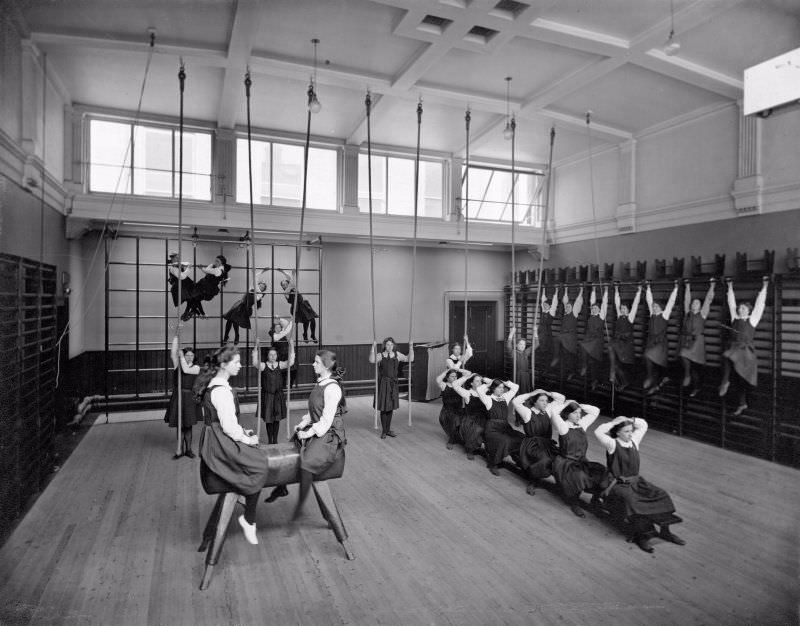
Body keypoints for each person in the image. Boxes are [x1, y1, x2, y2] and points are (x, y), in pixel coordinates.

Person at [197, 346, 265, 546]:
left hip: (214, 437)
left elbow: (226, 424)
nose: (240, 365)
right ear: (224, 365)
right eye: (236, 362)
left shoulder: (215, 386)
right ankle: (249, 518)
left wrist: (243, 432)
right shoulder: (222, 392)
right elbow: (228, 427)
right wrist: (247, 439)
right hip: (219, 442)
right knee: (259, 465)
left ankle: (244, 500)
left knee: (251, 459)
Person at [595, 416, 684, 553]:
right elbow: (598, 431)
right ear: (618, 432)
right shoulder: (612, 444)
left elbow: (643, 425)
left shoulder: (634, 442)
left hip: (637, 482)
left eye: (631, 431)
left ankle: (666, 531)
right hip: (619, 484)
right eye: (626, 431)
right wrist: (614, 422)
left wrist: (631, 420)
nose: (630, 434)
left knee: (662, 494)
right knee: (633, 502)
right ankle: (641, 536)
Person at [285, 350, 347, 529]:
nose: (313, 364)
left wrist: (308, 432)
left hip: (329, 435)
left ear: (326, 366)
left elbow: (326, 420)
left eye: (317, 362)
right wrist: (303, 423)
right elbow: (314, 411)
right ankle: (281, 487)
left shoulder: (333, 388)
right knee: (293, 444)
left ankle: (299, 509)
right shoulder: (320, 383)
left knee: (308, 462)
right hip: (319, 426)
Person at [719, 277, 769, 416]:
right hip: (735, 349)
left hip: (746, 352)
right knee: (732, 368)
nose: (739, 309)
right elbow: (731, 303)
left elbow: (760, 305)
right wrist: (730, 287)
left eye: (743, 308)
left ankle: (730, 389)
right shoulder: (735, 318)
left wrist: (764, 287)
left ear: (748, 310)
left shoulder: (753, 319)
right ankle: (736, 396)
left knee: (740, 376)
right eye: (739, 307)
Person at [549, 398, 607, 517]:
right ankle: (574, 503)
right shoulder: (563, 427)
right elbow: (554, 412)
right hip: (566, 463)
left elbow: (595, 411)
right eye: (574, 413)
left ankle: (595, 500)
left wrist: (579, 405)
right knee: (579, 476)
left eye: (579, 413)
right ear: (567, 414)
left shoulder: (582, 425)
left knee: (601, 471)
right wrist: (567, 403)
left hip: (581, 460)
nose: (578, 416)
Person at [512, 389, 563, 495]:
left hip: (547, 444)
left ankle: (562, 484)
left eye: (546, 401)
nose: (545, 403)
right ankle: (533, 481)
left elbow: (561, 399)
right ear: (535, 402)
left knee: (560, 458)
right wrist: (531, 394)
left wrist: (548, 393)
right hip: (532, 445)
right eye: (542, 400)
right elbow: (515, 401)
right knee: (544, 459)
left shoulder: (547, 410)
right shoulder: (527, 412)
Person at [252, 338, 295, 445]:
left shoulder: (280, 365)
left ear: (277, 356)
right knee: (268, 419)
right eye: (271, 355)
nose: (273, 356)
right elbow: (254, 362)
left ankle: (274, 440)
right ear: (267, 356)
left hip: (278, 396)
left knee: (277, 419)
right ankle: (270, 440)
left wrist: (292, 346)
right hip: (267, 396)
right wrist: (256, 346)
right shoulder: (263, 366)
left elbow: (291, 361)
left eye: (274, 355)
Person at [164, 332, 200, 459]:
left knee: (188, 425)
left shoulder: (196, 368)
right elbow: (173, 353)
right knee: (180, 425)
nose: (189, 357)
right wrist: (176, 337)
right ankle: (179, 450)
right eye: (187, 355)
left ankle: (189, 450)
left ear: (194, 357)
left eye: (191, 355)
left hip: (189, 398)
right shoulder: (177, 364)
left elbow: (186, 370)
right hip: (178, 397)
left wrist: (182, 357)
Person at [369, 337, 413, 439]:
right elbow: (371, 360)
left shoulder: (397, 355)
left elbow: (410, 359)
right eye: (388, 344)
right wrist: (373, 347)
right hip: (383, 384)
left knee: (390, 407)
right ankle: (384, 431)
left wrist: (411, 347)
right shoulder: (380, 355)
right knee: (384, 408)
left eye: (391, 345)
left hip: (393, 384)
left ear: (394, 345)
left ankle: (388, 430)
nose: (390, 346)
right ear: (385, 345)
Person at [679, 278, 715, 397]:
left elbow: (708, 300)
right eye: (693, 303)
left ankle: (695, 387)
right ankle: (688, 377)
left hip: (698, 343)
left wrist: (712, 286)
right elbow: (686, 300)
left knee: (695, 367)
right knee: (684, 356)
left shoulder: (703, 313)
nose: (694, 304)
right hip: (688, 341)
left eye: (697, 303)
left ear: (700, 306)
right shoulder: (687, 313)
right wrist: (688, 287)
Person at [643, 280, 679, 394]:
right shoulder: (652, 314)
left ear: (661, 307)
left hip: (661, 344)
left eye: (656, 306)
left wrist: (676, 288)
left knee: (648, 356)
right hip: (651, 342)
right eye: (653, 306)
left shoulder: (664, 314)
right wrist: (648, 288)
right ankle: (656, 385)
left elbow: (671, 302)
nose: (654, 308)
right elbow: (649, 300)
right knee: (653, 363)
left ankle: (650, 378)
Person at [481, 378, 522, 476]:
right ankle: (493, 463)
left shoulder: (505, 397)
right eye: (499, 388)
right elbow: (479, 390)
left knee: (520, 437)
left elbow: (516, 387)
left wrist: (504, 382)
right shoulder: (488, 399)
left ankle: (518, 459)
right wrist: (490, 383)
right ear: (493, 388)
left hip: (504, 427)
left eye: (503, 388)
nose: (502, 390)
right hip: (492, 429)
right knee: (505, 440)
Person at [608, 283, 641, 391]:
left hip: (626, 345)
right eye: (621, 309)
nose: (622, 310)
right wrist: (616, 290)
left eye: (624, 309)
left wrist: (639, 291)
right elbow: (617, 301)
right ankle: (616, 376)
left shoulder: (630, 317)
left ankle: (615, 375)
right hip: (618, 343)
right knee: (612, 352)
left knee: (619, 364)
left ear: (628, 310)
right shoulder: (619, 316)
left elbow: (636, 304)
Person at [222, 272, 267, 344]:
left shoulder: (260, 295)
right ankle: (226, 336)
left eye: (262, 287)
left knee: (234, 319)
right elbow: (255, 277)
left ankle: (236, 335)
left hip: (246, 309)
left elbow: (255, 294)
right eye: (260, 285)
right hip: (240, 305)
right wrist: (263, 271)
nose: (260, 287)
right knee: (230, 319)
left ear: (263, 290)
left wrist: (260, 284)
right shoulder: (252, 288)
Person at [183, 255, 231, 321]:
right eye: (215, 260)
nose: (215, 262)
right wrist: (204, 268)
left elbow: (207, 270)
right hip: (203, 286)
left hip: (207, 290)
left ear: (221, 263)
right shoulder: (216, 268)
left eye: (217, 261)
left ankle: (193, 313)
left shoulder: (219, 270)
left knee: (194, 298)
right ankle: (197, 313)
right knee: (193, 299)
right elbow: (206, 271)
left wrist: (210, 265)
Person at [550, 285, 583, 378]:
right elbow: (565, 300)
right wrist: (565, 290)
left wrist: (581, 290)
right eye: (566, 307)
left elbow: (578, 302)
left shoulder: (575, 313)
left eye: (569, 306)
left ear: (572, 308)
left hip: (571, 337)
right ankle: (569, 370)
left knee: (568, 353)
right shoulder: (565, 313)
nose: (567, 308)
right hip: (564, 337)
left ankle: (571, 371)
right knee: (565, 353)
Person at [277, 269, 318, 342]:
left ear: (288, 283)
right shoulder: (286, 292)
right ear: (282, 287)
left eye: (286, 283)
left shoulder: (293, 286)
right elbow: (290, 279)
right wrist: (293, 275)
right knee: (306, 321)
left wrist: (283, 272)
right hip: (296, 308)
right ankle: (305, 334)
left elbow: (289, 278)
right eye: (283, 285)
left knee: (312, 319)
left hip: (304, 305)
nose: (285, 285)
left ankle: (312, 335)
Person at [453, 374, 488, 460]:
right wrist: (467, 377)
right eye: (477, 381)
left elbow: (494, 383)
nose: (480, 383)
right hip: (471, 420)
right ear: (471, 383)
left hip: (483, 418)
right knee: (477, 429)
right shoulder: (467, 393)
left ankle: (488, 450)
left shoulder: (484, 392)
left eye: (480, 381)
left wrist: (484, 379)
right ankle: (470, 450)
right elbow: (455, 384)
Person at [580, 286, 608, 390]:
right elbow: (592, 301)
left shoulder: (601, 316)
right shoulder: (590, 316)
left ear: (600, 310)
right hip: (589, 340)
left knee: (594, 361)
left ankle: (594, 381)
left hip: (597, 342)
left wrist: (605, 291)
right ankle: (584, 366)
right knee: (583, 348)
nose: (593, 309)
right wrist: (593, 290)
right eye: (592, 308)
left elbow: (604, 304)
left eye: (595, 308)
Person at [436, 368, 470, 449]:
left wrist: (457, 369)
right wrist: (448, 370)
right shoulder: (444, 385)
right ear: (447, 377)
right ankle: (451, 440)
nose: (455, 378)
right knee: (455, 421)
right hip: (447, 411)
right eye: (452, 376)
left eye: (456, 376)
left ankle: (459, 439)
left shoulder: (458, 385)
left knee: (463, 422)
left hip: (459, 409)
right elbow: (438, 379)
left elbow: (468, 373)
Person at [536, 286, 557, 367]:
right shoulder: (544, 311)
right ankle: (541, 363)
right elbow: (542, 300)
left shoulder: (551, 312)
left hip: (546, 332)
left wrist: (556, 292)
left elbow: (554, 303)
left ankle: (546, 364)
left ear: (549, 305)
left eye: (546, 305)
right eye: (543, 305)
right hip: (541, 330)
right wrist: (544, 290)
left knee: (545, 347)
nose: (544, 306)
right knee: (540, 346)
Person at [507, 327, 533, 394]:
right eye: (521, 344)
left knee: (525, 393)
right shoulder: (513, 353)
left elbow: (537, 344)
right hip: (518, 375)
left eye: (524, 344)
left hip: (526, 376)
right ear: (516, 345)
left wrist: (535, 332)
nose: (523, 346)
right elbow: (508, 346)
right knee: (517, 392)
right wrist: (511, 333)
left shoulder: (526, 352)